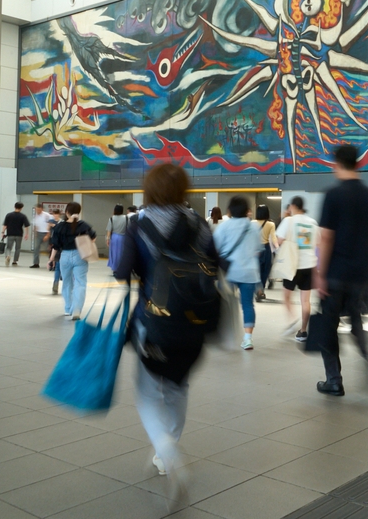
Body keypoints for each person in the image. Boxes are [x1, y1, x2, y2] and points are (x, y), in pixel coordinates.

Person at [116, 163, 219, 503]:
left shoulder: (138, 223)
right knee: (178, 386)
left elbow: (121, 270)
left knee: (147, 390)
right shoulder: (200, 223)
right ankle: (166, 452)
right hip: (195, 325)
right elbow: (217, 266)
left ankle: (168, 452)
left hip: (154, 322)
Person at [313, 145, 368, 399]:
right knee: (356, 323)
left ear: (335, 164)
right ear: (358, 163)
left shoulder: (333, 194)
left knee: (328, 327)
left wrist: (320, 273)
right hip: (362, 273)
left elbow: (327, 237)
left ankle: (334, 380)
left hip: (336, 274)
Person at [214, 197, 262, 350]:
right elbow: (258, 251)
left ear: (230, 211)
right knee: (248, 305)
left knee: (223, 303)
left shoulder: (224, 227)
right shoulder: (253, 228)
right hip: (249, 272)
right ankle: (248, 339)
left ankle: (222, 335)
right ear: (247, 210)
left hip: (229, 271)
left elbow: (215, 249)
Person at [276, 196, 318, 341]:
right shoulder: (313, 223)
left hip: (291, 266)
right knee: (306, 301)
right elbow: (318, 244)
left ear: (293, 206)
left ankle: (292, 320)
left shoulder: (288, 221)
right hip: (309, 265)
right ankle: (303, 331)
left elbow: (278, 241)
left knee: (286, 296)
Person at [47, 202, 96, 319]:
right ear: (78, 212)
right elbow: (93, 237)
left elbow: (55, 245)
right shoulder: (84, 225)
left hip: (65, 256)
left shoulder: (59, 226)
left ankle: (68, 308)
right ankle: (77, 310)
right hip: (80, 256)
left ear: (67, 212)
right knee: (80, 283)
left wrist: (51, 259)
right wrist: (86, 245)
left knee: (67, 283)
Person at [254, 204, 277, 302]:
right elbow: (274, 238)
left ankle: (258, 290)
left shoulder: (252, 223)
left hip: (255, 249)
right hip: (266, 249)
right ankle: (261, 290)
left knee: (256, 271)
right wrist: (278, 248)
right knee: (265, 271)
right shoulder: (271, 224)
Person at [1, 202, 30, 267]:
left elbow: (5, 225)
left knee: (8, 247)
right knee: (18, 248)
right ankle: (15, 261)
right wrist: (26, 234)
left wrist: (2, 232)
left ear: (14, 206)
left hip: (10, 234)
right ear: (21, 208)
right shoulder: (23, 216)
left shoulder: (9, 215)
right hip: (19, 234)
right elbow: (26, 226)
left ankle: (8, 255)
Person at [105, 204, 129, 273]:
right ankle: (122, 267)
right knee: (122, 253)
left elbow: (109, 230)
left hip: (114, 237)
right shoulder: (126, 218)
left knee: (114, 253)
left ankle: (115, 268)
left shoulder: (112, 218)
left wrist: (107, 239)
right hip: (124, 237)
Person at [30, 204, 54, 268]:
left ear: (42, 209)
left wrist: (48, 234)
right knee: (36, 249)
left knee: (48, 249)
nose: (37, 211)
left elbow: (50, 225)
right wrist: (34, 233)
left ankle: (52, 262)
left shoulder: (47, 215)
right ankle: (36, 263)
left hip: (46, 233)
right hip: (38, 233)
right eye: (36, 209)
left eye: (39, 210)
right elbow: (35, 225)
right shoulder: (35, 216)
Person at [49, 212, 63, 295]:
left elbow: (55, 246)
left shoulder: (57, 232)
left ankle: (55, 284)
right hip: (69, 253)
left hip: (59, 252)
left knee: (57, 268)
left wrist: (51, 259)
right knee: (69, 271)